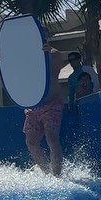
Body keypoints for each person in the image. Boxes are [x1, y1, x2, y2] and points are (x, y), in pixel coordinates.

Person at [23, 43, 67, 176]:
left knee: (51, 138)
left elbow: (53, 71)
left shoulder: (54, 53)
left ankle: (57, 175)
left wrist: (46, 55)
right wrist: (4, 59)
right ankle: (47, 173)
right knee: (31, 141)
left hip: (52, 103)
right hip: (34, 105)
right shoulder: (25, 55)